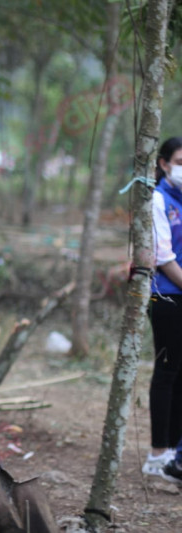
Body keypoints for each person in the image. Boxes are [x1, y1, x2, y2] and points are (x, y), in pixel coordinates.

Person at [144, 137, 182, 482]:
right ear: (164, 163)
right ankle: (157, 452)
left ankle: (174, 451)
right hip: (167, 295)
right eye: (180, 160)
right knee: (167, 370)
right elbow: (163, 256)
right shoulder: (157, 199)